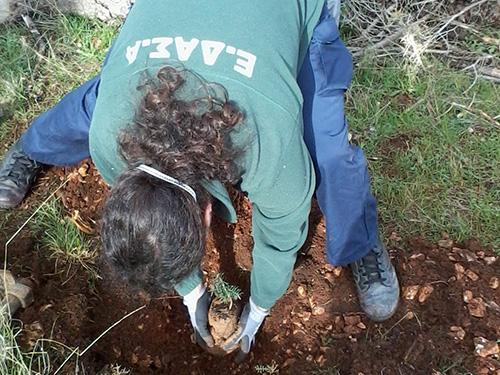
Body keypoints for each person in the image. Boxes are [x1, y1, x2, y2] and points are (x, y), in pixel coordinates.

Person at [0, 0, 399, 358]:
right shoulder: (110, 133)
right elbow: (152, 228)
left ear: (207, 215)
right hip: (165, 40)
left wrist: (259, 308)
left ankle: (358, 240)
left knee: (328, 153)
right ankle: (33, 147)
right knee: (102, 99)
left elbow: (280, 236)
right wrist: (191, 294)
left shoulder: (268, 138)